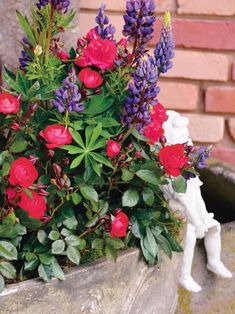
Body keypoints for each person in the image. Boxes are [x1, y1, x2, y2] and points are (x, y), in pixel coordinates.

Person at [162, 110, 232, 292]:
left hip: (193, 208)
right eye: (182, 140)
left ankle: (214, 261)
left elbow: (196, 196)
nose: (188, 143)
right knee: (190, 236)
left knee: (214, 226)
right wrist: (196, 221)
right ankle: (184, 275)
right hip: (176, 208)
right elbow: (183, 200)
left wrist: (203, 217)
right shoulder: (169, 173)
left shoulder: (187, 171)